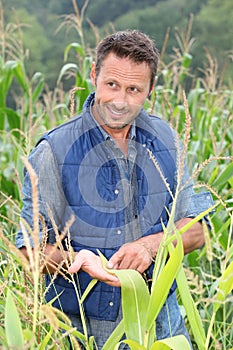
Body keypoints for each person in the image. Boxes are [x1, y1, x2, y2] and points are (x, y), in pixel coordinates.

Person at [16, 30, 213, 349]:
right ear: (94, 75)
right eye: (112, 85)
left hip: (163, 329)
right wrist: (79, 259)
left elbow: (197, 228)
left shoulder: (168, 139)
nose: (120, 101)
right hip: (84, 333)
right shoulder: (54, 151)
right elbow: (29, 251)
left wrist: (152, 245)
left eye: (134, 89)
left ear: (150, 89)